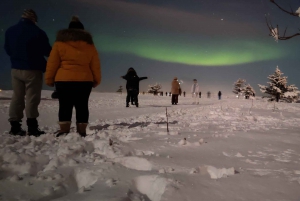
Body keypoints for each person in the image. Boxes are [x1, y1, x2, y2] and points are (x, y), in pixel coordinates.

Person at [45, 16, 101, 137]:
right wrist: (96, 79)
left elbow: (53, 62)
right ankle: (81, 131)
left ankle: (64, 130)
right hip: (84, 80)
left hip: (64, 80)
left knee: (65, 105)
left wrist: (49, 78)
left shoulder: (59, 43)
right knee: (82, 105)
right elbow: (95, 64)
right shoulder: (89, 45)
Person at [4, 9, 52, 136]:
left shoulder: (10, 31)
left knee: (17, 97)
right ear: (33, 19)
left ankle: (14, 126)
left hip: (15, 68)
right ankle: (32, 127)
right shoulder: (38, 32)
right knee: (32, 98)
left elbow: (7, 49)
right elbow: (47, 51)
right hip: (33, 69)